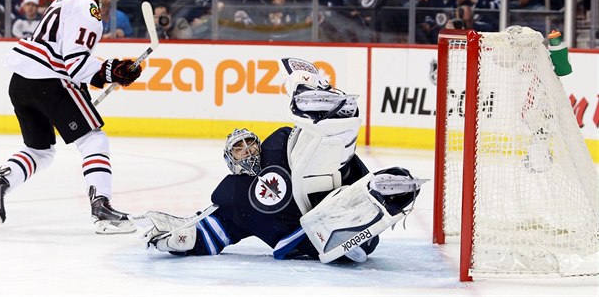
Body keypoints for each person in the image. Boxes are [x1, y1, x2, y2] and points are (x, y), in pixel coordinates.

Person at [139, 57, 426, 263]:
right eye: (239, 148)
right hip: (303, 241)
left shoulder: (278, 145)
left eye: (250, 143)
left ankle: (363, 188)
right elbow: (218, 230)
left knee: (350, 171)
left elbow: (323, 158)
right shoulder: (232, 194)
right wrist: (183, 239)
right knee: (330, 236)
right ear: (230, 159)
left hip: (328, 200)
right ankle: (353, 228)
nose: (248, 150)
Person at [0, 0, 142, 235]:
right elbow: (74, 63)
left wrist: (108, 72)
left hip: (21, 82)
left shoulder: (63, 1)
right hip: (51, 81)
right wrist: (111, 71)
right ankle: (102, 209)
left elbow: (65, 53)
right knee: (93, 139)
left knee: (40, 151)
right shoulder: (90, 9)